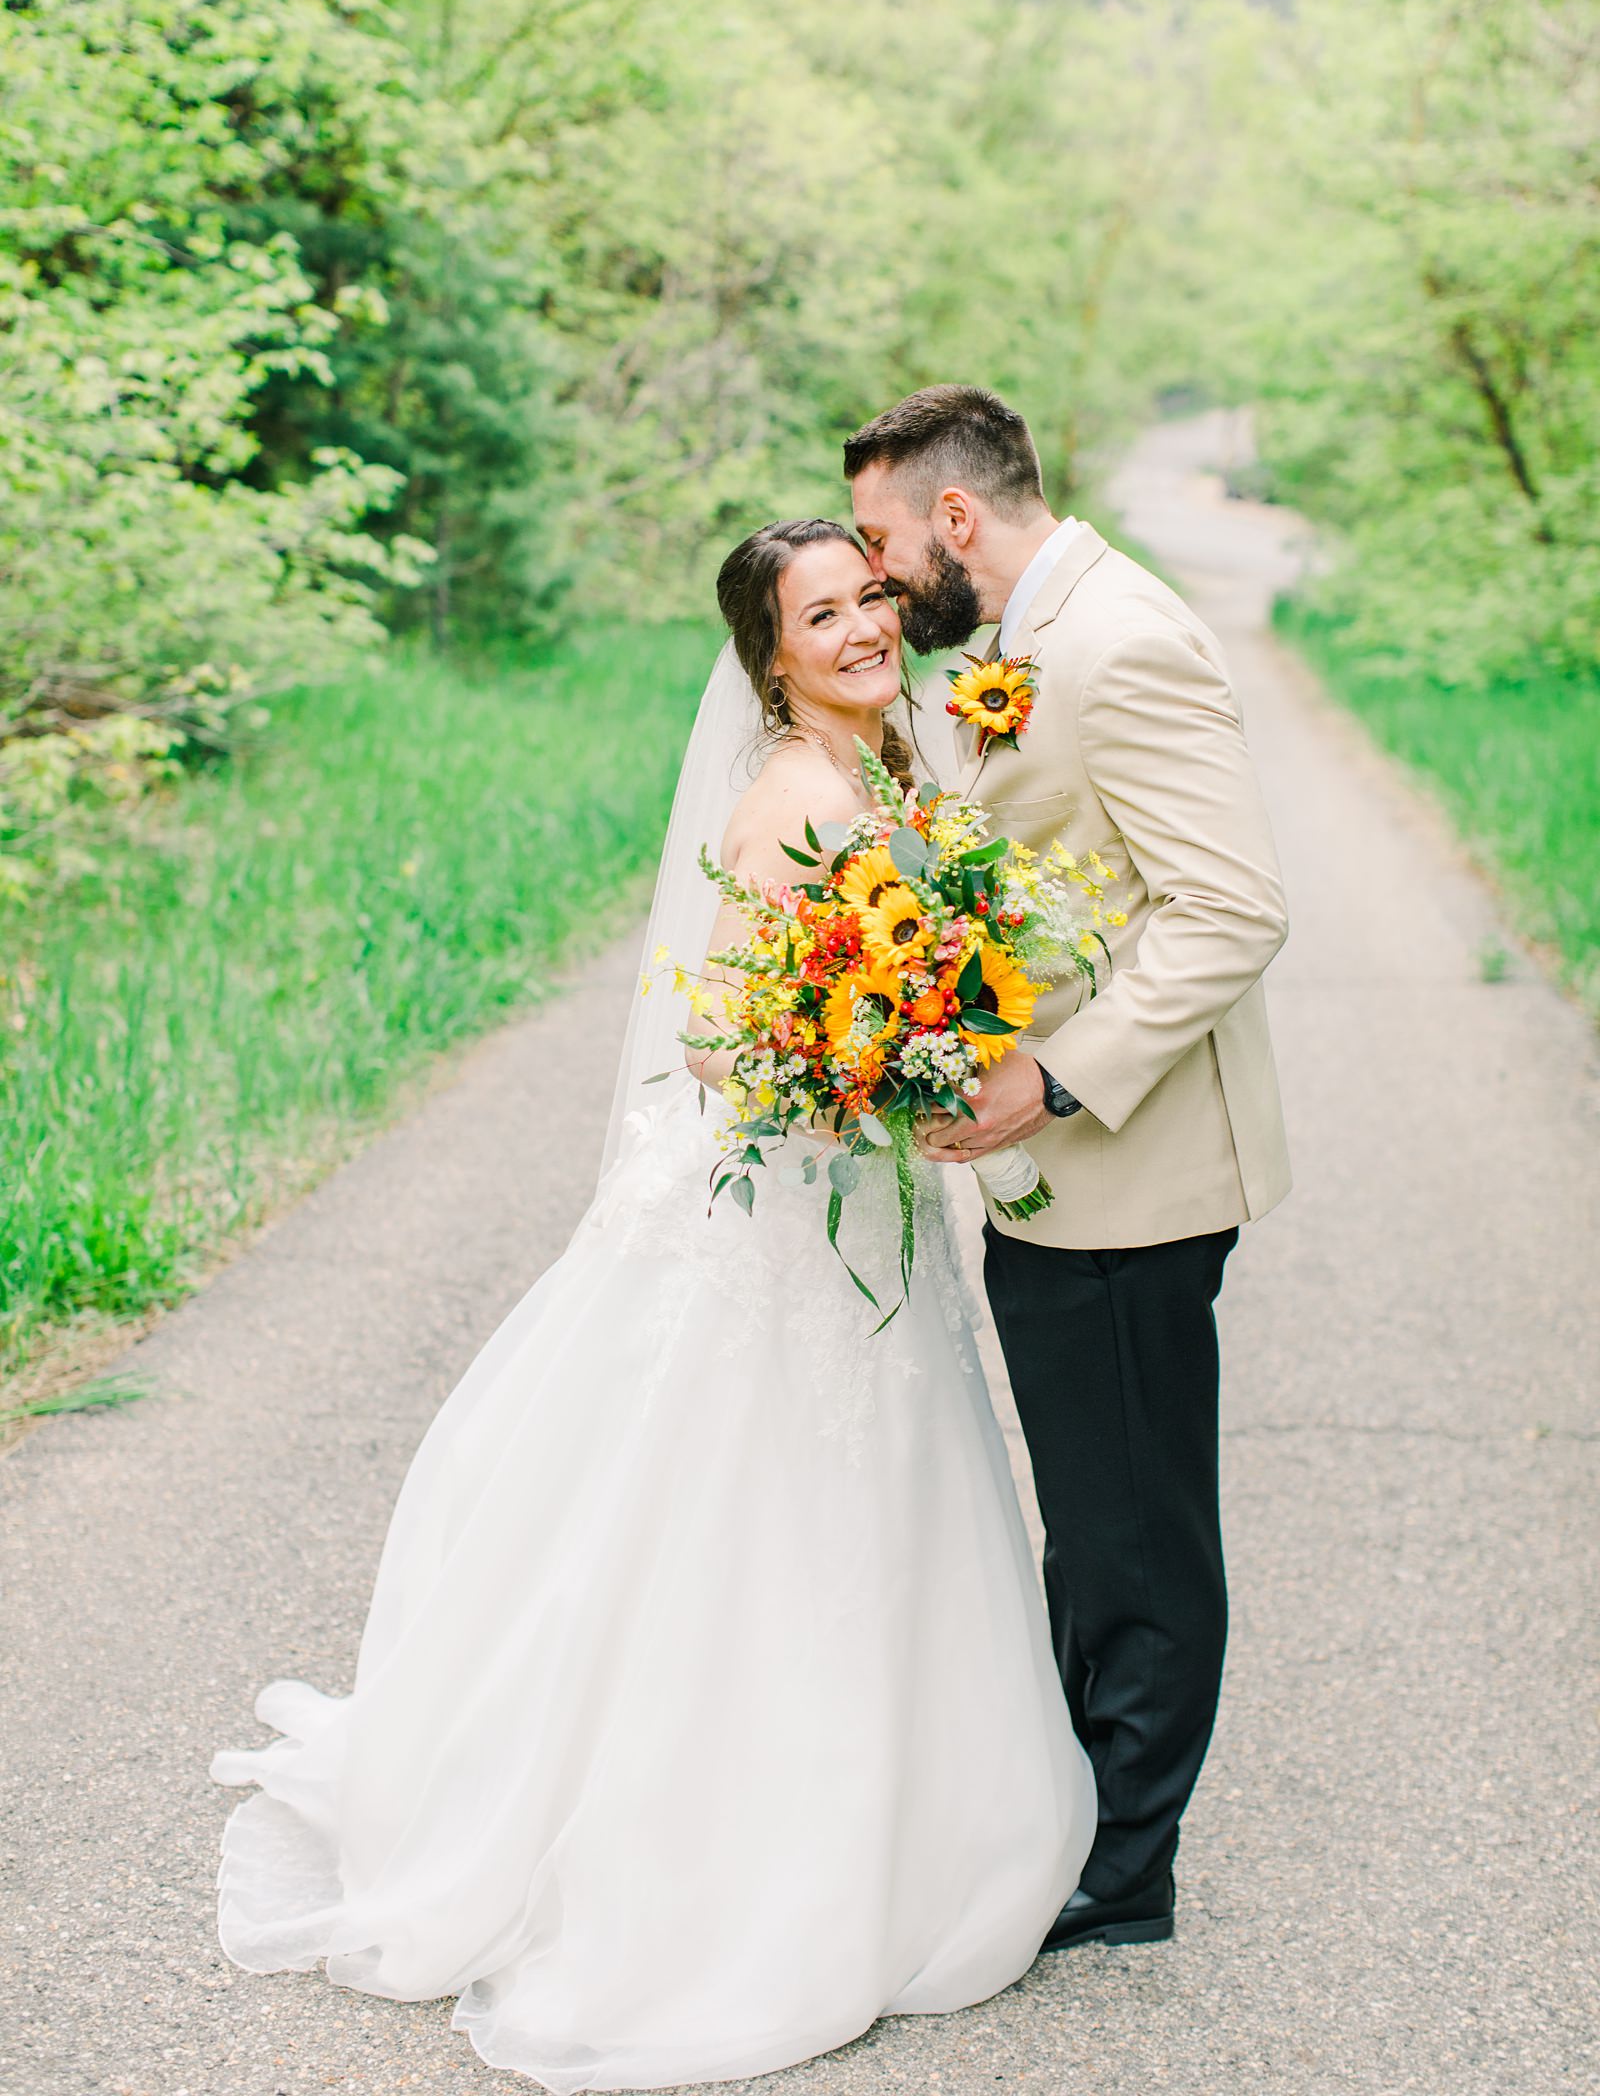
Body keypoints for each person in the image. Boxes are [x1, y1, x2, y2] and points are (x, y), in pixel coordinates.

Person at [211, 516, 1096, 2094]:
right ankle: (713, 1865)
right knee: (738, 1513)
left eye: (870, 598)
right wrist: (863, 1070)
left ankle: (913, 1823)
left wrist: (929, 1029)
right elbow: (711, 1043)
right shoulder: (792, 800)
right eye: (820, 616)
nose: (861, 629)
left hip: (860, 1205)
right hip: (778, 1217)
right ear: (769, 656)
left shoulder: (900, 776)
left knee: (882, 1506)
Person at [848, 384, 1291, 1952]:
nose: (880, 570)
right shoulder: (1024, 646)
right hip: (1062, 1173)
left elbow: (1230, 908)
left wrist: (1056, 1076)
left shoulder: (1124, 641)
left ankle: (1123, 1874)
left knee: (1136, 1528)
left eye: (887, 541)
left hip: (1133, 1163)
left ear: (956, 519)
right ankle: (1080, 1821)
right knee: (1094, 1513)